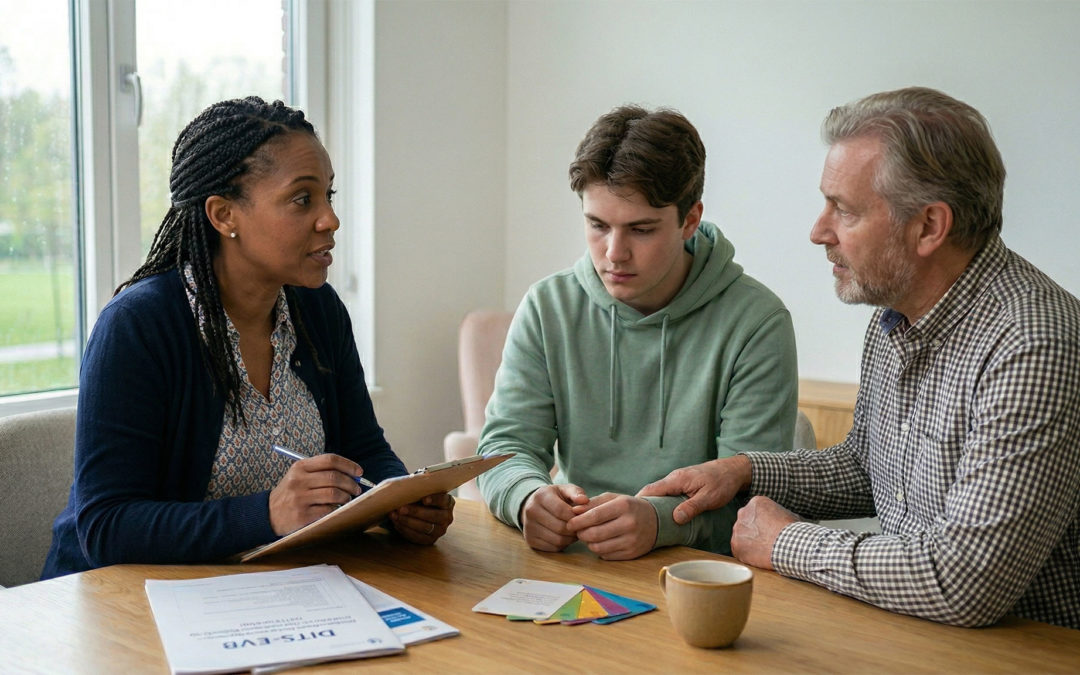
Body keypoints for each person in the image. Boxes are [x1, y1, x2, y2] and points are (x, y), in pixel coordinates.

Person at [641, 87, 1080, 629]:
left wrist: (786, 543)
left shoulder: (1035, 342)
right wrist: (744, 471)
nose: (818, 231)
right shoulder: (895, 315)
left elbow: (966, 582)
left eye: (843, 210)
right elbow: (868, 469)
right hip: (912, 638)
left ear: (929, 227)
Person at [42, 97, 454, 579]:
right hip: (119, 606)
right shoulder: (139, 326)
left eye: (329, 196)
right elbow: (106, 527)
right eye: (303, 199)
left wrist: (399, 500)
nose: (330, 220)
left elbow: (364, 450)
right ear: (223, 215)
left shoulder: (319, 311)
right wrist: (267, 515)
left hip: (267, 588)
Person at [476, 105, 798, 561]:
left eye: (641, 229)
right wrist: (526, 497)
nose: (613, 253)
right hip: (570, 571)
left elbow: (755, 506)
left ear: (689, 220)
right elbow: (502, 449)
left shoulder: (757, 323)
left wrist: (659, 521)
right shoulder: (549, 306)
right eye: (597, 225)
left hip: (694, 576)